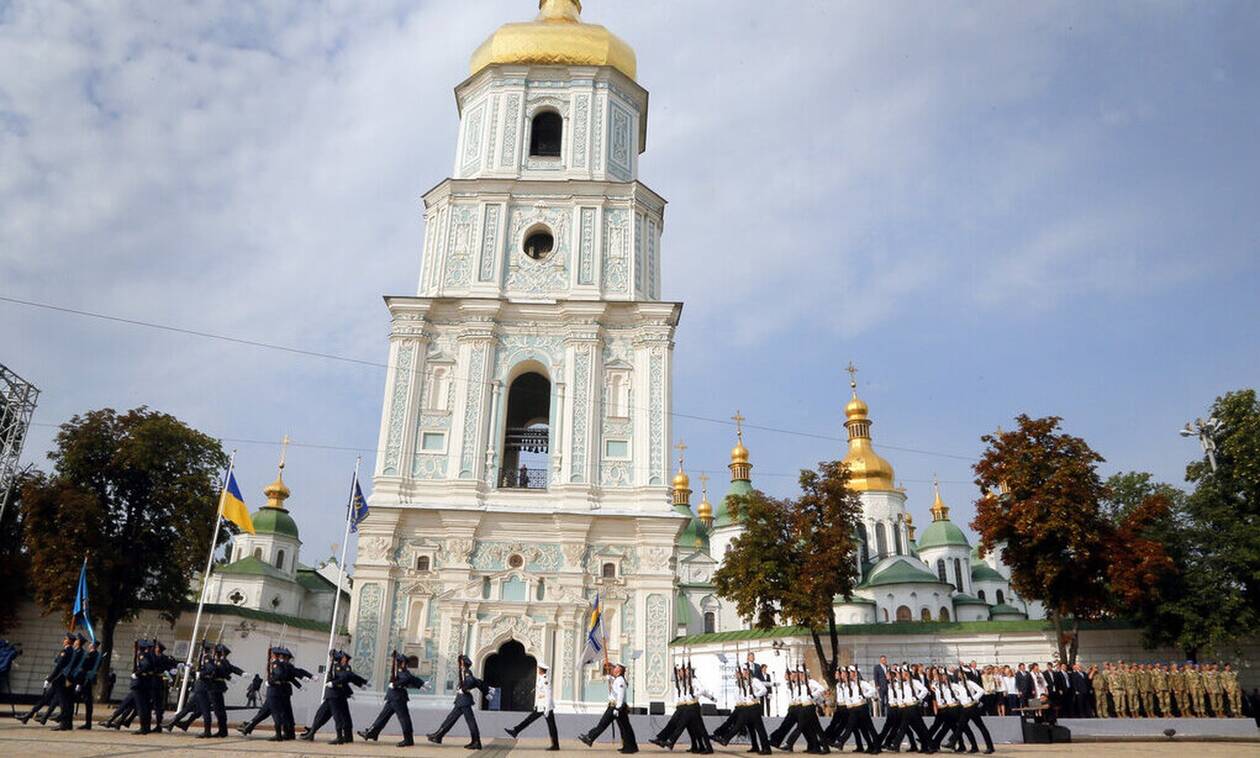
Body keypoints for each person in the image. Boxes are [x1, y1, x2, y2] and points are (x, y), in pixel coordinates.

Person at [237, 646, 309, 741]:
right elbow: (291, 677)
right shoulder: (284, 665)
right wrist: (300, 685)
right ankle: (249, 727)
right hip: (282, 691)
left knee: (279, 713)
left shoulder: (277, 664)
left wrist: (270, 682)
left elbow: (283, 675)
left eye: (273, 654)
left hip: (276, 691)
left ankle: (281, 734)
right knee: (266, 712)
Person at [303, 649, 367, 744]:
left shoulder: (341, 667)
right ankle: (312, 732)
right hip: (334, 695)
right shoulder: (334, 666)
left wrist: (360, 684)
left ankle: (340, 736)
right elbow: (338, 676)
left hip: (335, 694)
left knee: (339, 716)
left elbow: (346, 677)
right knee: (321, 714)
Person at [359, 653, 422, 747]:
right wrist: (420, 684)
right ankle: (372, 733)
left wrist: (395, 684)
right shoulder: (399, 671)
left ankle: (408, 739)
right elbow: (410, 679)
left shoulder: (401, 671)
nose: (396, 663)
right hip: (393, 697)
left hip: (398, 698)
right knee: (383, 716)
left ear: (402, 663)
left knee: (404, 719)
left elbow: (408, 678)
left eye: (398, 661)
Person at [428, 654, 488, 749]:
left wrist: (464, 689)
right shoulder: (464, 671)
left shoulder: (467, 672)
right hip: (461, 700)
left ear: (463, 664)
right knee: (450, 719)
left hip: (464, 700)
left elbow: (471, 681)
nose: (459, 665)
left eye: (460, 663)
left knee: (470, 721)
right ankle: (438, 735)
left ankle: (476, 742)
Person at [579, 660, 637, 753]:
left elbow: (621, 696)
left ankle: (590, 737)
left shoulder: (620, 680)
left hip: (616, 707)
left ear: (620, 670)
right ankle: (630, 746)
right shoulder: (617, 679)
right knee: (625, 728)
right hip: (615, 707)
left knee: (603, 724)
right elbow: (613, 685)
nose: (614, 669)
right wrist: (610, 678)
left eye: (616, 668)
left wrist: (618, 708)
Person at [18, 633, 76, 725]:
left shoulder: (66, 651)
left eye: (65, 639)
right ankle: (28, 716)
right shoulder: (70, 651)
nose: (63, 640)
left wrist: (49, 679)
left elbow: (59, 667)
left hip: (59, 679)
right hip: (60, 678)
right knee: (46, 698)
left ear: (68, 641)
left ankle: (64, 723)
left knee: (62, 701)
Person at [506, 662, 560, 751]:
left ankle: (555, 745)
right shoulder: (541, 679)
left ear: (541, 670)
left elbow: (548, 694)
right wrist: (537, 705)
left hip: (546, 707)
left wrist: (547, 708)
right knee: (531, 720)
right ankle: (515, 731)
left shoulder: (545, 679)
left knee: (550, 726)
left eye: (539, 669)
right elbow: (540, 694)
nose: (538, 670)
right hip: (541, 706)